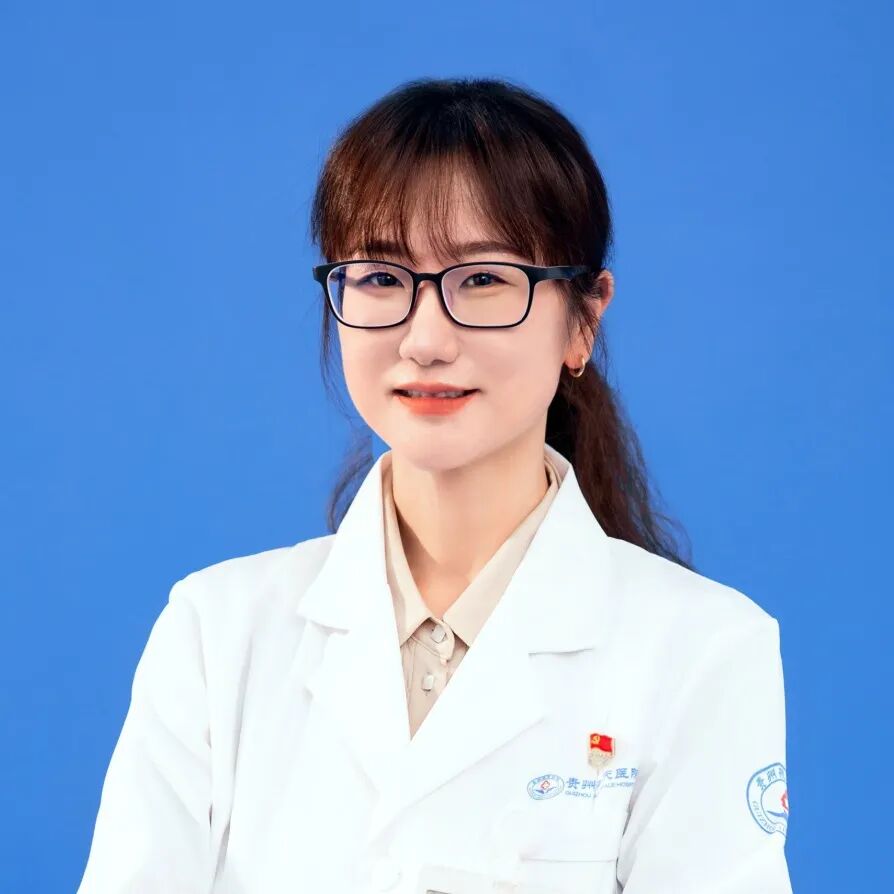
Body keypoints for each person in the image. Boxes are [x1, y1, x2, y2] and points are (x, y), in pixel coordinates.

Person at [77, 77, 793, 894]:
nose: (424, 339)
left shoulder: (703, 650)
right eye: (381, 278)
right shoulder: (216, 632)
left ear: (585, 319)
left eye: (483, 280)